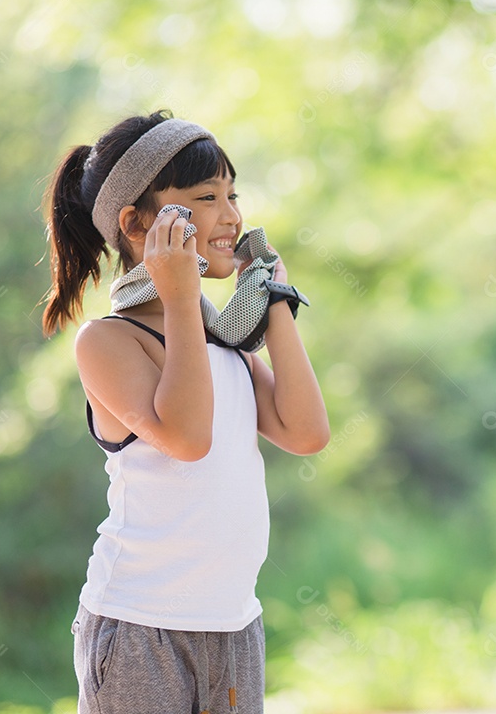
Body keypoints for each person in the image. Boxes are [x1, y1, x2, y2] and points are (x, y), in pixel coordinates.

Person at [40, 109, 329, 713]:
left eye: (233, 195)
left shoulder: (221, 343)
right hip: (140, 628)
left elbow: (307, 433)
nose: (231, 216)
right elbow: (188, 436)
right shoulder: (108, 341)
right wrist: (178, 296)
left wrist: (272, 298)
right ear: (138, 222)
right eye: (206, 197)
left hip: (233, 626)